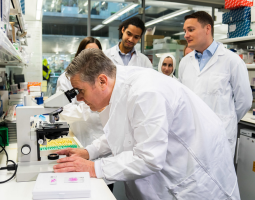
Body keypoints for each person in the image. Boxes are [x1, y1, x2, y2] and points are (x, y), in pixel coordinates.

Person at [53, 49, 240, 200]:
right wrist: (89, 152)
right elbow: (123, 133)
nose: (79, 98)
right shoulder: (120, 85)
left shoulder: (145, 92)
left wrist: (94, 168)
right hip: (165, 178)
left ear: (102, 81)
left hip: (193, 182)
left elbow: (149, 158)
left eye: (81, 90)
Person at [179, 11, 252, 156]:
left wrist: (225, 121)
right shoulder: (185, 62)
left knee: (218, 177)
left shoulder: (232, 61)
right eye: (185, 31)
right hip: (190, 137)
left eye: (191, 30)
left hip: (219, 139)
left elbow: (244, 102)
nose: (186, 35)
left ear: (207, 29)